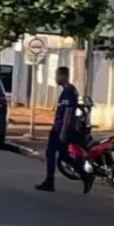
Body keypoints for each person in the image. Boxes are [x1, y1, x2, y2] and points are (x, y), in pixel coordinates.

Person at [35, 66, 94, 194]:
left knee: (51, 153)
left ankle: (50, 181)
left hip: (62, 129)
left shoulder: (68, 92)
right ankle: (85, 175)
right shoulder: (68, 91)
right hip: (61, 127)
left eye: (57, 76)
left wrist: (62, 131)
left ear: (64, 76)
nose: (56, 79)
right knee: (64, 156)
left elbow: (68, 113)